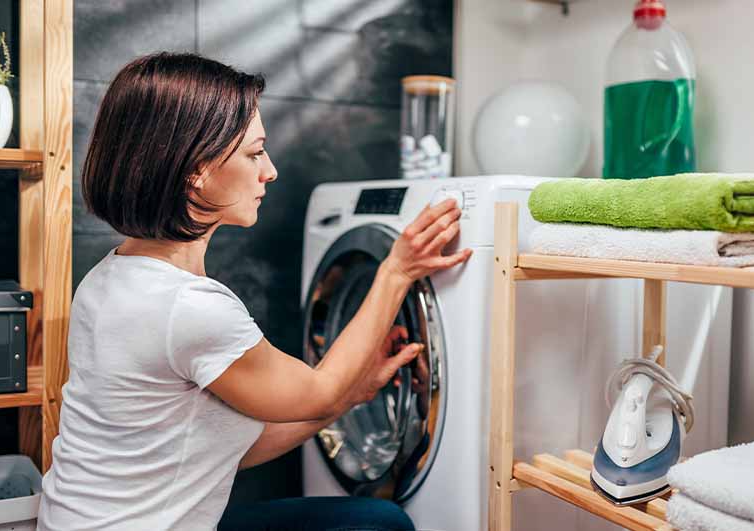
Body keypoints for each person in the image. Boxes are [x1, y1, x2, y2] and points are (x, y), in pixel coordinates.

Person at [37, 52, 471, 530]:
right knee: (380, 524)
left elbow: (212, 450)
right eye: (254, 153)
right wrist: (396, 271)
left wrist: (353, 394)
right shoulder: (189, 308)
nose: (270, 171)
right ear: (196, 170)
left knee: (373, 518)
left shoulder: (110, 276)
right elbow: (320, 392)